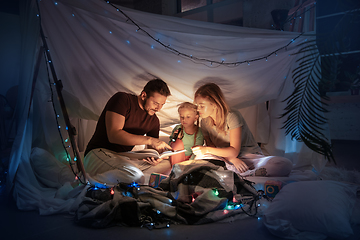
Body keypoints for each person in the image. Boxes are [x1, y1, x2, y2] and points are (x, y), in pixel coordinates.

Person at [83, 79, 173, 186]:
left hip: (122, 157)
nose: (158, 108)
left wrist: (157, 157)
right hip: (99, 152)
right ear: (144, 95)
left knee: (166, 169)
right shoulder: (123, 100)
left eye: (162, 104)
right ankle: (85, 183)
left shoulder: (154, 121)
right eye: (155, 103)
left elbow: (152, 150)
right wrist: (150, 140)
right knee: (135, 177)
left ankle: (115, 185)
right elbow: (114, 135)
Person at [191, 82, 293, 177]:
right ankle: (241, 174)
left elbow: (234, 151)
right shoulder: (204, 121)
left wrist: (206, 149)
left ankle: (241, 174)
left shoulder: (232, 116)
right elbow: (212, 146)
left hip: (249, 156)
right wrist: (230, 159)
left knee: (284, 164)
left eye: (201, 106)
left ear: (214, 104)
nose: (198, 109)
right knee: (199, 160)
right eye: (197, 105)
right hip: (225, 158)